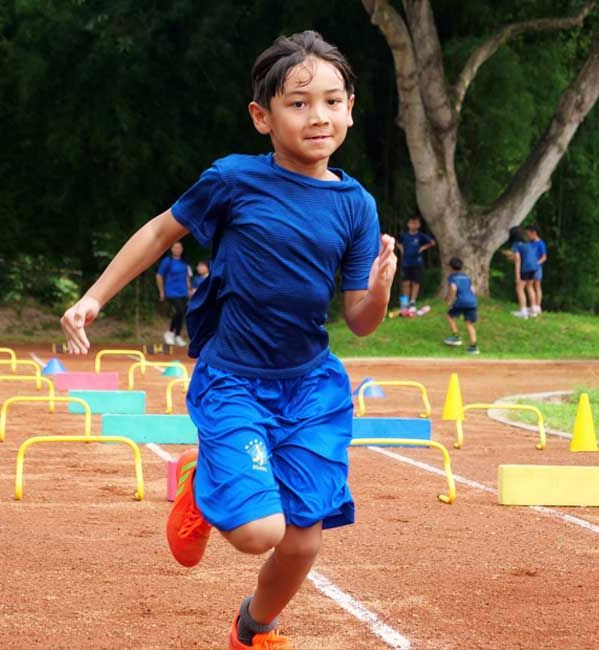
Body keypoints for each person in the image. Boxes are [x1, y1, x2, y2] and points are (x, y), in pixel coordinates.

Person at [60, 31, 395, 649]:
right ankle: (203, 477)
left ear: (351, 106)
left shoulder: (357, 206)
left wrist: (377, 289)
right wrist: (93, 298)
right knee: (258, 532)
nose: (317, 116)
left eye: (331, 100)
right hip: (235, 379)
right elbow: (162, 232)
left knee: (303, 540)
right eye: (298, 103)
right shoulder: (234, 181)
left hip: (312, 387)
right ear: (262, 117)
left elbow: (360, 319)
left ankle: (254, 628)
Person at [156, 241, 192, 346]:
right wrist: (161, 291)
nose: (178, 250)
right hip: (171, 291)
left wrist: (189, 289)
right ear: (171, 249)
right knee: (179, 311)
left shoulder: (184, 262)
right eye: (175, 248)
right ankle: (170, 332)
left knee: (182, 313)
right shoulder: (167, 261)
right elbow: (159, 276)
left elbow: (187, 277)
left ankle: (177, 335)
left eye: (179, 248)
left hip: (183, 291)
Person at [395, 216, 435, 310]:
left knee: (415, 282)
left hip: (417, 262)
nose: (413, 225)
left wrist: (423, 248)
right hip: (406, 262)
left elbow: (432, 242)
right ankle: (405, 303)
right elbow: (397, 242)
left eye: (416, 223)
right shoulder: (404, 235)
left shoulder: (421, 235)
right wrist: (401, 249)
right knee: (405, 282)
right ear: (408, 224)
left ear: (419, 225)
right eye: (411, 223)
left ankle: (412, 302)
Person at [441, 257, 478, 354]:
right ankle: (473, 347)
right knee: (469, 323)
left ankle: (456, 337)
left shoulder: (452, 277)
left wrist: (450, 300)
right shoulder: (466, 277)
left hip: (461, 301)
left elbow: (453, 288)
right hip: (472, 302)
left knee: (449, 316)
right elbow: (473, 290)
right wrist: (472, 299)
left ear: (451, 268)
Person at [506, 226, 538, 319]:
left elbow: (518, 260)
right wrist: (511, 256)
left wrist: (517, 276)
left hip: (525, 268)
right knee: (529, 286)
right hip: (534, 267)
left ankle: (523, 311)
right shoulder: (527, 243)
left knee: (519, 288)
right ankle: (533, 310)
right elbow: (522, 256)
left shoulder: (516, 244)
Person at [525, 223, 547, 315]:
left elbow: (544, 257)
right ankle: (535, 307)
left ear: (534, 233)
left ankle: (536, 306)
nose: (528, 236)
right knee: (532, 286)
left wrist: (536, 263)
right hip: (530, 267)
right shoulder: (530, 243)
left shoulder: (540, 244)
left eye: (528, 234)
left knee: (532, 286)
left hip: (536, 268)